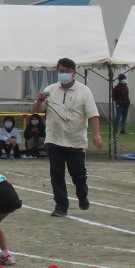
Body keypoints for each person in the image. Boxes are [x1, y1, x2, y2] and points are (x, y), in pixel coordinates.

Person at [31, 57, 102, 217]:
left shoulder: (84, 91)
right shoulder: (50, 90)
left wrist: (96, 134)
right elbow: (36, 110)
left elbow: (93, 114)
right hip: (54, 140)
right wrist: (38, 100)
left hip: (76, 141)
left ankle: (82, 195)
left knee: (78, 174)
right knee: (56, 174)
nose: (63, 74)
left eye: (67, 72)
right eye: (61, 71)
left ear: (74, 73)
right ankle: (61, 206)